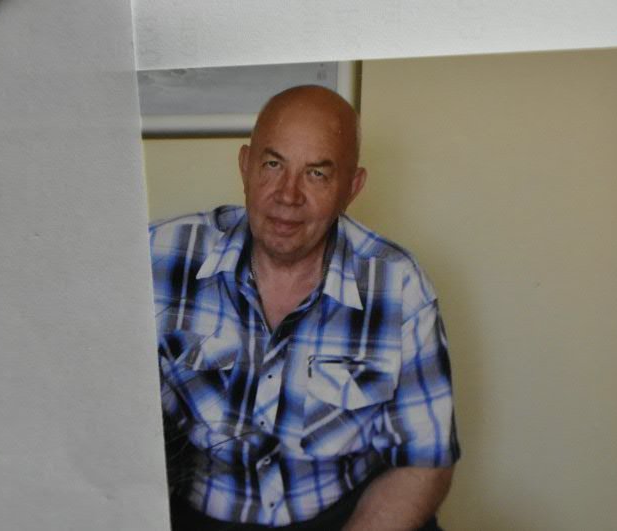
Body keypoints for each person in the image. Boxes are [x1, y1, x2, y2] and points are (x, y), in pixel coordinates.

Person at [150, 85, 460, 530]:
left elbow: (422, 461)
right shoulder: (158, 256)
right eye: (273, 165)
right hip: (196, 516)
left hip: (347, 517)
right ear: (245, 167)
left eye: (316, 174)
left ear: (351, 188)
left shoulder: (399, 286)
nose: (287, 195)